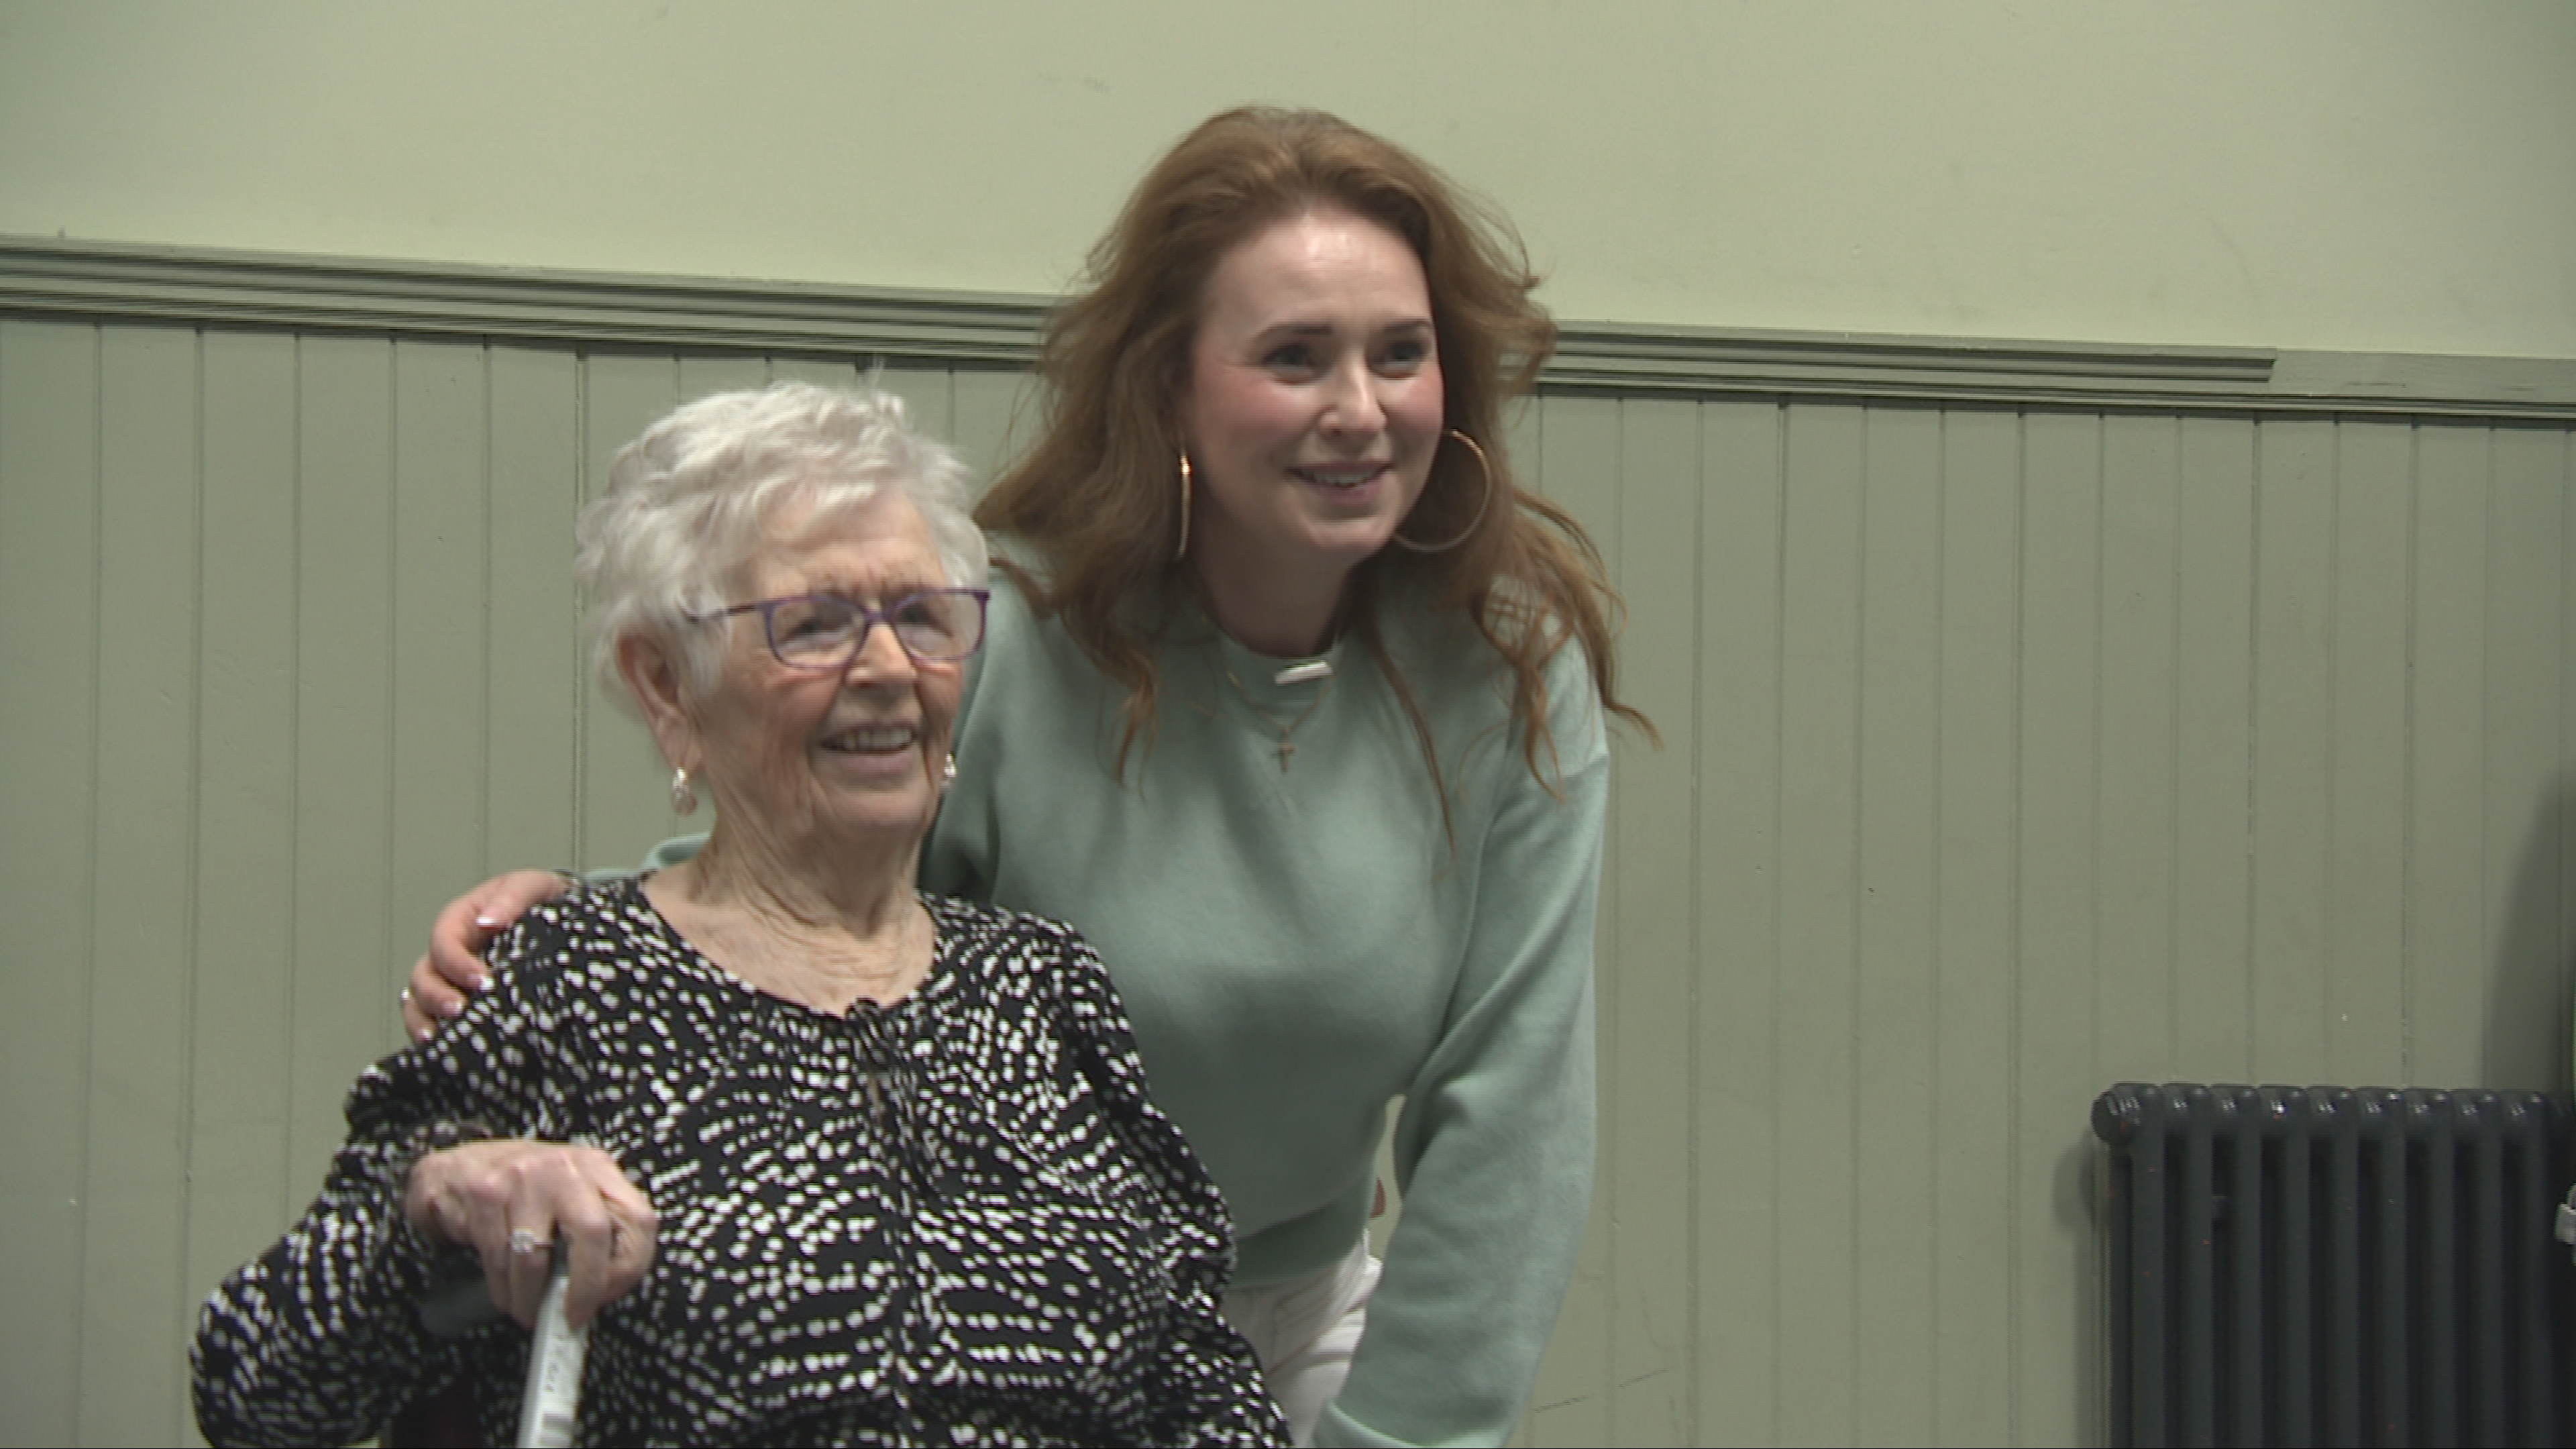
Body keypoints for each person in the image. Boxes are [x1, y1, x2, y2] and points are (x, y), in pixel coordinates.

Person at [408, 106, 1650, 1447]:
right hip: (1021, 1314)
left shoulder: (1510, 671)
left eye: (1400, 356)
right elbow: (817, 894)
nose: (1359, 410)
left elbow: (1514, 1119)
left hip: (1303, 1307)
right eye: (1295, 358)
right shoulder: (997, 627)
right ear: (1172, 385)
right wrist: (592, 927)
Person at [196, 383, 1289, 1448]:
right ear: (670, 687)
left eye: (921, 617)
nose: (887, 669)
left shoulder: (1042, 987)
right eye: (812, 625)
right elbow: (258, 1385)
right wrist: (435, 1202)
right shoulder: (571, 981)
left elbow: (1194, 1370)